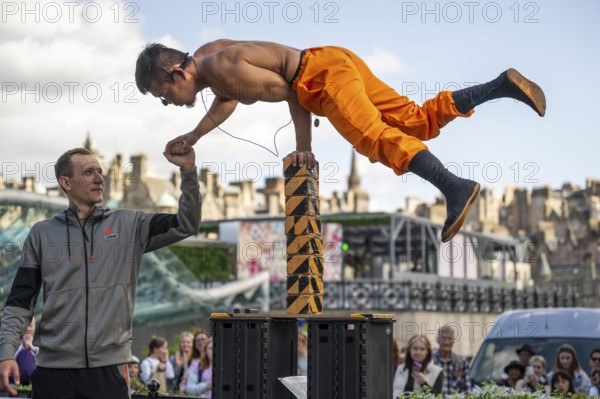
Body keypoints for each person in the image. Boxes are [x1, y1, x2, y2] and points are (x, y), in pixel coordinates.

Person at [135, 40, 546, 243]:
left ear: (177, 74)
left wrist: (304, 148)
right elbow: (228, 100)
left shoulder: (222, 72)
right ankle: (500, 85)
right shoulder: (209, 57)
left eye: (162, 94)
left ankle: (454, 187)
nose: (167, 102)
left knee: (376, 139)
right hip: (335, 58)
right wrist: (193, 136)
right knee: (415, 121)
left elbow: (291, 91)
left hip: (320, 80)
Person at [0, 146, 201, 398]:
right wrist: (7, 352)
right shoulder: (41, 233)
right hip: (52, 371)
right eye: (88, 172)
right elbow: (20, 300)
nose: (99, 177)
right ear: (66, 182)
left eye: (100, 171)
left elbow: (187, 224)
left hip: (109, 371)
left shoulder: (130, 225)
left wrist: (189, 171)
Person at [432, 325, 472, 396]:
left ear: (453, 340)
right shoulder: (430, 359)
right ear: (437, 340)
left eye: (449, 338)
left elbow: (467, 388)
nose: (446, 342)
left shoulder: (462, 361)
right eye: (443, 338)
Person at [12, 319, 37, 386]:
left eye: (30, 326)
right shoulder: (13, 347)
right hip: (15, 384)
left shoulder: (39, 347)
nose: (27, 328)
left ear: (35, 327)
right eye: (24, 326)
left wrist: (32, 348)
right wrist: (22, 346)